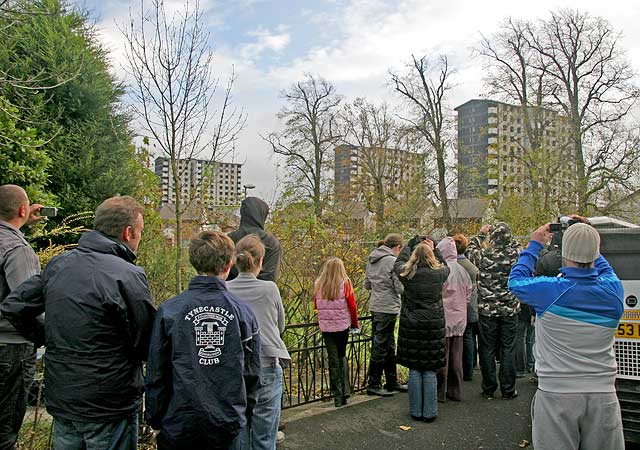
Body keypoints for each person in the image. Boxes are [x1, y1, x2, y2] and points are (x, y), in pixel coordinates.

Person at [1, 195, 156, 450]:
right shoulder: (127, 275)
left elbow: (14, 306)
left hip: (64, 397)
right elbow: (147, 340)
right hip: (109, 402)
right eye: (140, 231)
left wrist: (49, 337)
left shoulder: (60, 264)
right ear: (128, 233)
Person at [508, 220, 624, 450]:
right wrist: (587, 236)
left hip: (557, 392)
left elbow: (516, 281)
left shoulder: (549, 291)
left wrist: (534, 244)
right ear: (596, 251)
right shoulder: (614, 290)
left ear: (565, 251)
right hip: (603, 394)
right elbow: (605, 269)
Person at [145, 231, 262, 450]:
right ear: (229, 264)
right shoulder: (242, 313)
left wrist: (155, 419)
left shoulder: (170, 311)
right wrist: (243, 414)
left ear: (194, 262)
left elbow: (156, 373)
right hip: (227, 423)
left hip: (180, 423)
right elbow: (253, 373)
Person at [227, 234, 290, 450]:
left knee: (239, 431)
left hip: (236, 367)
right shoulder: (269, 288)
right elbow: (279, 325)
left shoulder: (225, 290)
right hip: (266, 364)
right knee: (265, 436)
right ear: (261, 262)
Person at [0, 185, 43, 450]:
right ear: (23, 210)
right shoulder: (18, 249)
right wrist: (44, 336)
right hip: (10, 348)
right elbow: (26, 302)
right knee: (5, 428)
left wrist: (23, 223)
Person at [394, 237, 450, 422]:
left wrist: (409, 245)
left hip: (412, 324)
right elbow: (445, 265)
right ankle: (430, 411)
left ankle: (416, 410)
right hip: (433, 325)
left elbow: (398, 264)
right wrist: (434, 248)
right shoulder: (439, 273)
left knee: (415, 369)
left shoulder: (408, 274)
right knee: (429, 369)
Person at [467, 222, 520, 400]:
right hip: (509, 309)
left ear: (493, 237)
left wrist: (481, 234)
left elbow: (469, 247)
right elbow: (521, 248)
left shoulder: (483, 256)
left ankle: (488, 388)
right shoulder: (515, 255)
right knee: (508, 348)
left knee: (487, 349)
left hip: (487, 310)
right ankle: (508, 389)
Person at [363, 233, 406, 396]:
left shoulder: (372, 258)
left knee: (388, 345)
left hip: (375, 306)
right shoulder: (392, 261)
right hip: (388, 307)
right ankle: (373, 384)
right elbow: (400, 288)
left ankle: (391, 381)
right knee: (382, 346)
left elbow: (367, 284)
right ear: (398, 247)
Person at [314, 257, 359, 408]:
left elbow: (316, 305)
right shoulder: (345, 283)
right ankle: (346, 391)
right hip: (342, 326)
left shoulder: (319, 284)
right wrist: (355, 324)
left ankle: (337, 396)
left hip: (326, 327)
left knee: (333, 360)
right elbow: (352, 306)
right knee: (341, 356)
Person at [436, 237, 472, 402]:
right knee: (456, 357)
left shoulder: (441, 270)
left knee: (443, 358)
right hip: (460, 318)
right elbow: (468, 293)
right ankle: (456, 390)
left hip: (444, 318)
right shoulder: (462, 270)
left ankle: (440, 392)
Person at [228, 197, 281, 282]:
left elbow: (222, 271)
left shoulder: (229, 239)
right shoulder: (271, 242)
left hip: (229, 291)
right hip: (261, 293)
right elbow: (270, 276)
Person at [453, 234, 480, 382]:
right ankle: (469, 369)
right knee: (469, 338)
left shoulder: (452, 267)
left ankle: (461, 370)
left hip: (457, 308)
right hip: (471, 307)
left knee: (463, 338)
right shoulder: (472, 267)